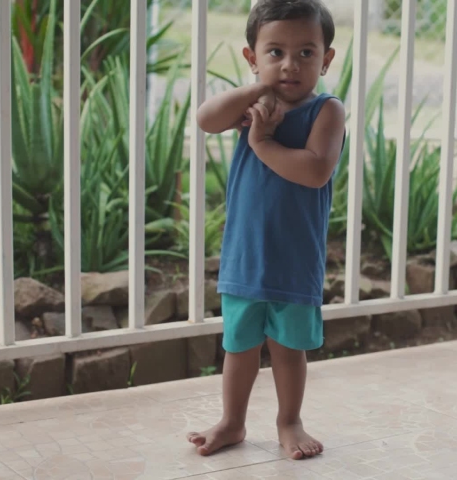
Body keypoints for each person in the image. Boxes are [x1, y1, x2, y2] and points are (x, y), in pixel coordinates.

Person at [186, 0, 345, 460]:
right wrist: (253, 92)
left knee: (288, 347)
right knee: (239, 344)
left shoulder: (326, 112)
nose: (290, 65)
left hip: (295, 256)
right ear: (251, 57)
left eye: (306, 53)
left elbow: (314, 170)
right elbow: (205, 119)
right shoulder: (254, 102)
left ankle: (288, 420)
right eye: (274, 52)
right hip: (246, 253)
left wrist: (261, 140)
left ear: (326, 59)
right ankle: (232, 422)